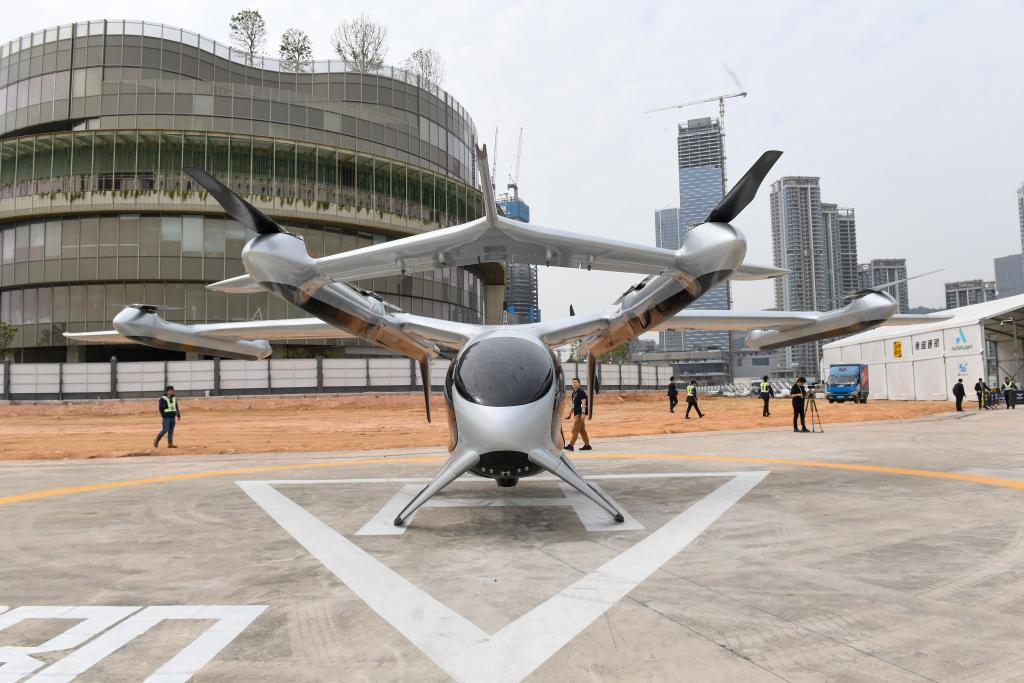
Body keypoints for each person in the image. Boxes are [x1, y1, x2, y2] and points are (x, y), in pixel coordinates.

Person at [564, 377, 592, 451]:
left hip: (580, 413)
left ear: (579, 384)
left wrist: (583, 413)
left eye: (576, 382)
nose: (574, 383)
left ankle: (571, 445)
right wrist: (569, 415)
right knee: (582, 430)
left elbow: (584, 403)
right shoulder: (574, 393)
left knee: (575, 429)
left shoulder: (581, 392)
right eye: (573, 382)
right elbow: (573, 405)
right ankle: (587, 445)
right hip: (576, 413)